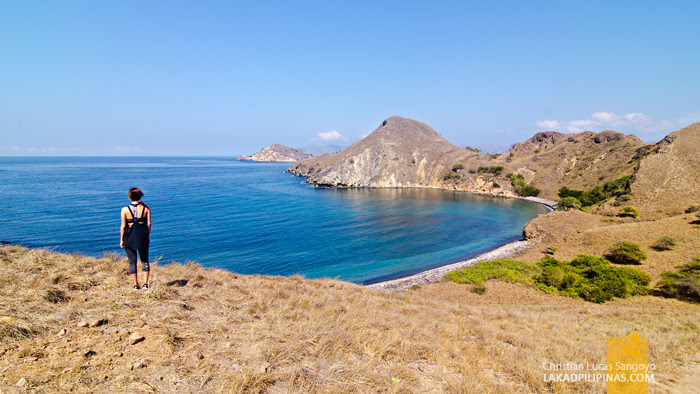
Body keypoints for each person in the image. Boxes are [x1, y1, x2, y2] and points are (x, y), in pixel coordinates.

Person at [120, 187, 151, 290]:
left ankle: (135, 284)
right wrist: (148, 236)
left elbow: (123, 226)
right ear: (140, 195)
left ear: (129, 196)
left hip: (129, 237)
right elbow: (149, 224)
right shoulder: (146, 209)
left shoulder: (124, 209)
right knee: (144, 260)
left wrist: (121, 240)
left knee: (132, 262)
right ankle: (145, 284)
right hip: (142, 237)